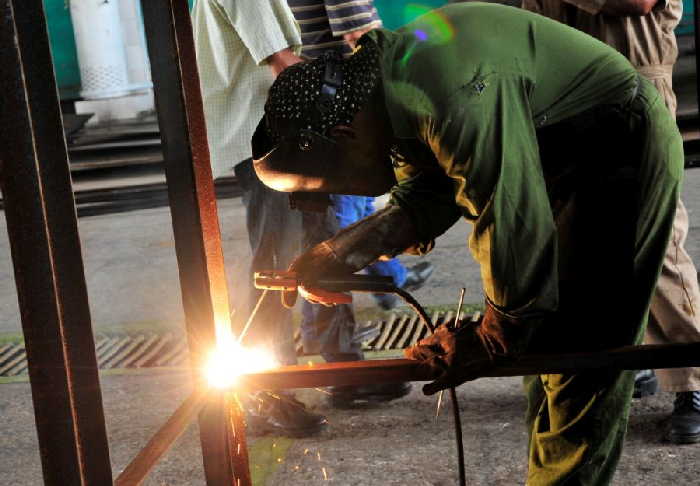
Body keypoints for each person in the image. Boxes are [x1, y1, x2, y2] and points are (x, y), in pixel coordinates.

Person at [251, 3, 683, 483]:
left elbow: (508, 212)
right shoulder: (392, 84)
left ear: (341, 131)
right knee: (544, 360)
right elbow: (425, 196)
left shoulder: (450, 91)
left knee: (584, 356)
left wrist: (495, 334)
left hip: (616, 145)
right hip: (554, 154)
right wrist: (335, 255)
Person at [523, 0, 700, 446]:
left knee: (657, 243)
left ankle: (691, 381)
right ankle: (627, 357)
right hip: (562, 91)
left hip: (632, 82)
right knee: (587, 237)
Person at [192, 0, 327, 437]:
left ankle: (271, 388)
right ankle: (264, 394)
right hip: (263, 138)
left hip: (262, 132)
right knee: (276, 266)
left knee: (284, 260)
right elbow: (283, 61)